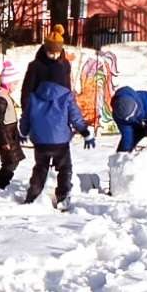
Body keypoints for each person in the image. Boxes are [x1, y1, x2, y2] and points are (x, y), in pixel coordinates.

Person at [19, 76, 95, 207]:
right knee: (64, 168)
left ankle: (32, 196)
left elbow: (26, 118)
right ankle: (62, 197)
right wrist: (85, 132)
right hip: (60, 142)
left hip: (40, 141)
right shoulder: (66, 96)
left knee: (40, 168)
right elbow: (75, 118)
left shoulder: (34, 97)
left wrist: (23, 132)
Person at [20, 25, 72, 117]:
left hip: (59, 113)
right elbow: (27, 91)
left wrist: (69, 110)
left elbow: (68, 89)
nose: (55, 56)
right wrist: (28, 113)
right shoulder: (35, 66)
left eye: (57, 53)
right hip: (39, 112)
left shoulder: (65, 65)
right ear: (45, 50)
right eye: (51, 53)